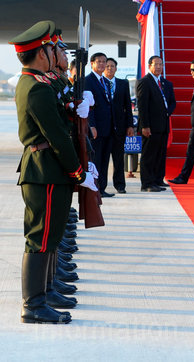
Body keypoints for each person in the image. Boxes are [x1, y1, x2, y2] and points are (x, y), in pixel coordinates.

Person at [10, 20, 97, 323]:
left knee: (50, 235)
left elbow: (60, 124)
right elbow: (57, 136)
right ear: (41, 54)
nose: (55, 53)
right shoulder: (36, 88)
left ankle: (45, 294)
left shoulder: (39, 84)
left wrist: (74, 110)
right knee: (40, 238)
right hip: (44, 170)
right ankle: (33, 305)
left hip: (48, 169)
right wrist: (78, 173)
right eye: (51, 49)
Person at [136, 56, 170, 192]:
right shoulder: (145, 82)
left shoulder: (162, 82)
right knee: (148, 155)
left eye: (161, 64)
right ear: (149, 66)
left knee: (159, 154)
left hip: (162, 125)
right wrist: (145, 126)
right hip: (150, 126)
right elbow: (142, 106)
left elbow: (169, 102)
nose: (159, 67)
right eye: (156, 64)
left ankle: (156, 180)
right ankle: (147, 183)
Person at [85, 52, 115, 197]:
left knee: (104, 160)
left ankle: (102, 188)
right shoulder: (88, 81)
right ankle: (95, 189)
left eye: (104, 61)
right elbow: (88, 106)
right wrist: (92, 125)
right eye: (99, 62)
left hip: (108, 128)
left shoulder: (106, 82)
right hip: (96, 128)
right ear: (92, 63)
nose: (102, 64)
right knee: (96, 160)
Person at [104, 58, 134, 193]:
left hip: (119, 128)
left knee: (119, 159)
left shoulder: (123, 83)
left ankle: (120, 185)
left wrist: (129, 125)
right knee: (103, 160)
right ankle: (101, 186)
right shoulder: (100, 83)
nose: (110, 68)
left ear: (116, 68)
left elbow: (127, 106)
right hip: (104, 128)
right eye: (107, 66)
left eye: (112, 66)